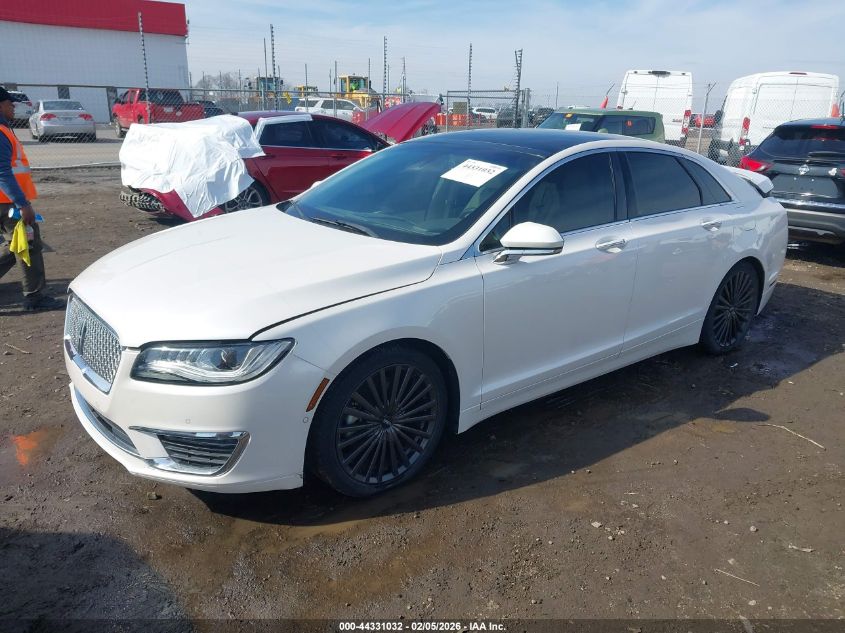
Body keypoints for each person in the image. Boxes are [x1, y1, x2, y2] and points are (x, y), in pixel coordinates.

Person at [0, 86, 63, 311]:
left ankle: (34, 295)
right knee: (27, 243)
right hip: (7, 201)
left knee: (15, 245)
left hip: (5, 200)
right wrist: (22, 203)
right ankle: (35, 297)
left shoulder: (5, 129)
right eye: (9, 104)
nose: (13, 107)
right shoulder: (0, 131)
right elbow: (3, 171)